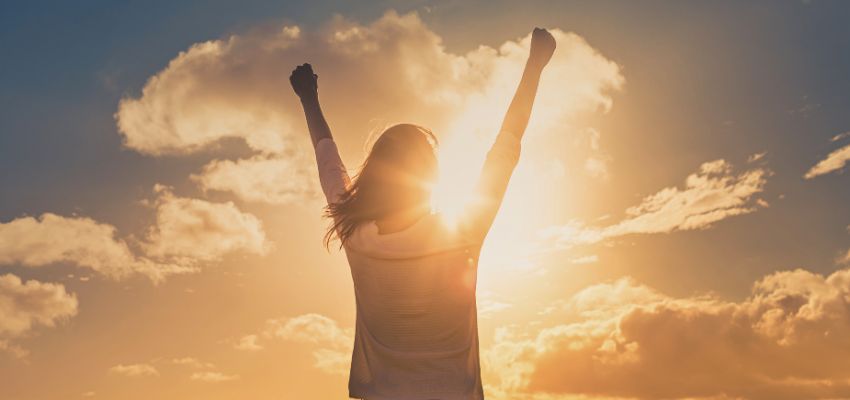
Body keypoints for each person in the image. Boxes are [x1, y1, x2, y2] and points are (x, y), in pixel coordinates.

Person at [290, 27, 556, 400]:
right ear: (430, 177)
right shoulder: (461, 233)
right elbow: (506, 145)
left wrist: (307, 98)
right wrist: (535, 65)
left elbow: (328, 160)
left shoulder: (357, 236)